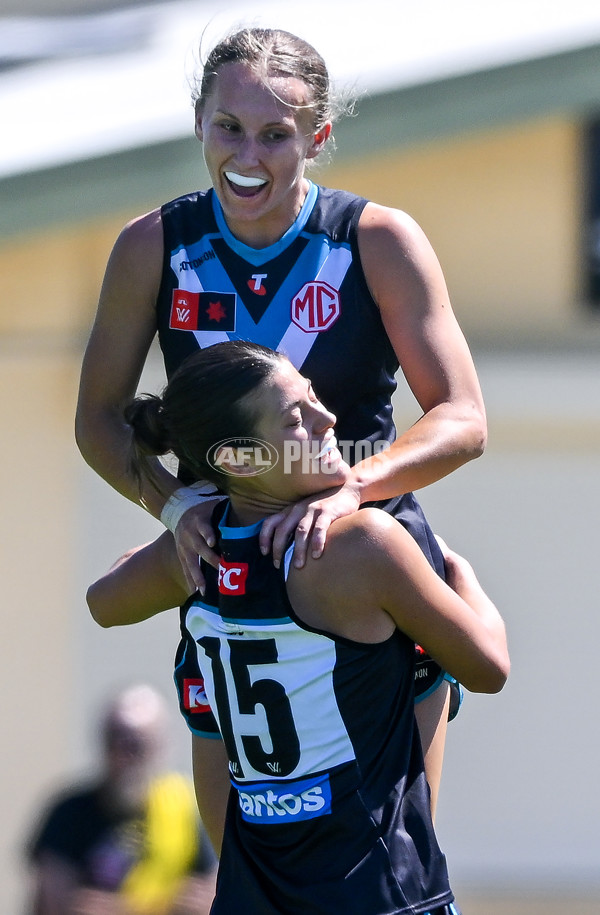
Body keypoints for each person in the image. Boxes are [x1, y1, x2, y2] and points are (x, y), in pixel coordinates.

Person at [75, 27, 487, 817]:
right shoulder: (153, 246)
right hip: (228, 579)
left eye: (276, 134)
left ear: (318, 136)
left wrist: (350, 493)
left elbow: (463, 415)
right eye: (229, 127)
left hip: (370, 568)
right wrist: (172, 505)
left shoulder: (377, 239)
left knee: (393, 862)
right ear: (199, 121)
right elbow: (98, 421)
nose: (248, 156)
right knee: (243, 872)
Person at [86, 341, 509, 915]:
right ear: (238, 460)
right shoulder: (363, 547)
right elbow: (488, 668)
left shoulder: (198, 549)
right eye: (295, 419)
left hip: (252, 896)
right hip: (379, 893)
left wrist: (177, 514)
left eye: (314, 397)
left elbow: (103, 601)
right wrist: (463, 576)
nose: (328, 418)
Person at [26, 684, 217, 915]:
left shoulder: (188, 808)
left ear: (161, 745)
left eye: (135, 743)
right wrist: (169, 903)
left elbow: (209, 899)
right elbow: (60, 906)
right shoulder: (68, 812)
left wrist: (121, 908)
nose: (123, 753)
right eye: (113, 738)